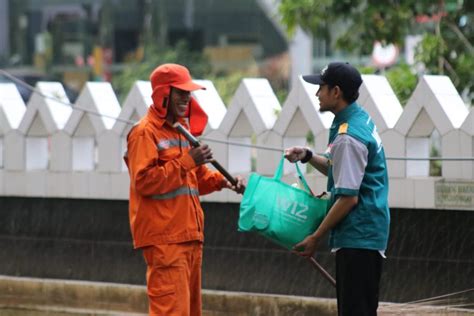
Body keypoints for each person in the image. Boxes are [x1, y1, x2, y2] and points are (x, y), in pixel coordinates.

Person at [125, 63, 244, 316]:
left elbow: (195, 180)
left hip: (188, 237)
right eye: (181, 92)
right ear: (163, 94)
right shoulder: (143, 133)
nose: (187, 98)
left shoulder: (182, 132)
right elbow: (144, 181)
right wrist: (189, 160)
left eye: (188, 93)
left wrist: (224, 181)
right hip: (165, 240)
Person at [285, 62, 390, 316]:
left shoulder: (348, 136)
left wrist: (315, 237)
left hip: (358, 238)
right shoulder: (358, 119)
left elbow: (347, 198)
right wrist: (308, 156)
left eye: (321, 88)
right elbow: (340, 170)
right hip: (366, 234)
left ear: (336, 92)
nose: (317, 94)